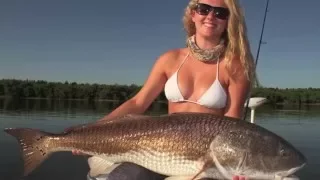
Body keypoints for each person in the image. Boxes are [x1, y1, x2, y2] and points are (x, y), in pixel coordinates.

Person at [74, 0, 256, 179]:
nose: (210, 16)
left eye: (220, 13)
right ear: (193, 14)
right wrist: (91, 129)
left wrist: (237, 166)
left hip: (204, 161)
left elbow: (233, 123)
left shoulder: (236, 67)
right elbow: (138, 103)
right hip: (153, 151)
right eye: (204, 9)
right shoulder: (170, 59)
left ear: (228, 21)